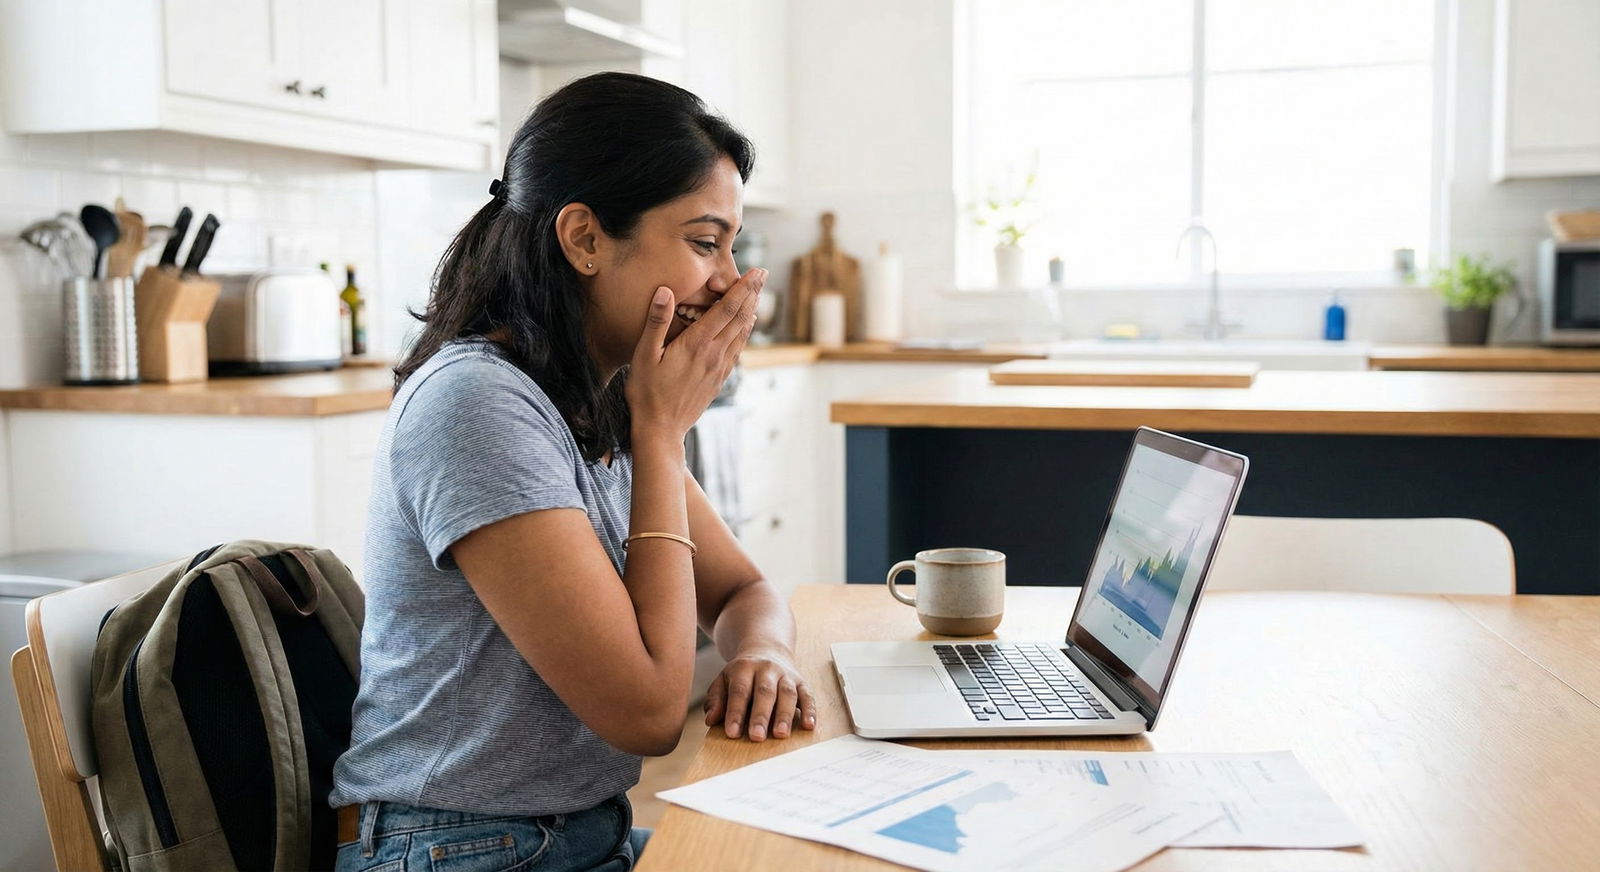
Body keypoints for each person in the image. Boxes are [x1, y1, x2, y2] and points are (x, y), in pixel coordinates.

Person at [329, 72, 815, 872]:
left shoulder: (596, 396)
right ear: (585, 238)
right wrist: (662, 435)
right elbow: (652, 713)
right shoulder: (475, 406)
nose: (729, 280)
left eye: (732, 246)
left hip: (578, 836)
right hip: (455, 849)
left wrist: (766, 653)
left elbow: (743, 592)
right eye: (703, 242)